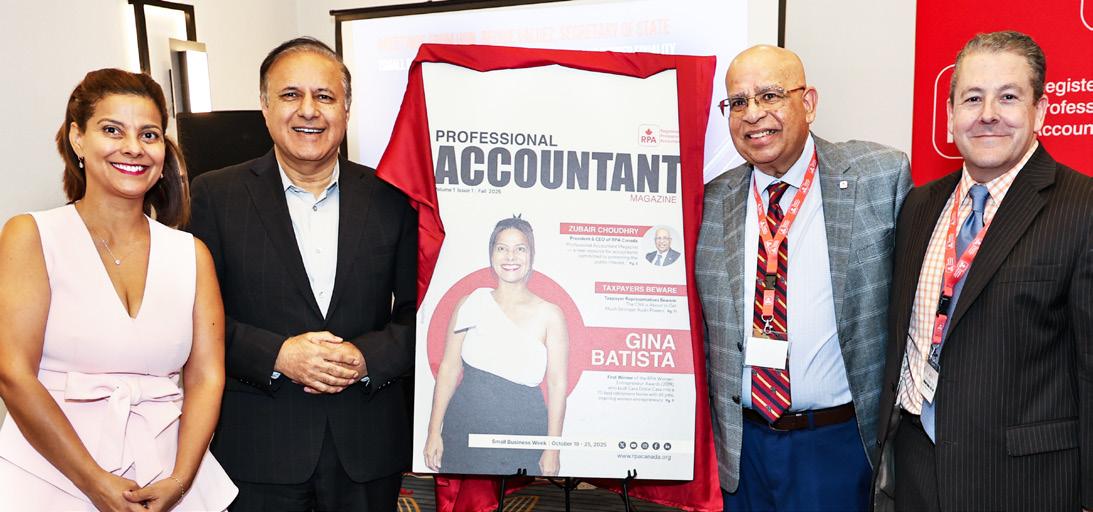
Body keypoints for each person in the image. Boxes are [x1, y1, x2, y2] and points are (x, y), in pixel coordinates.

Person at [187, 37, 417, 511]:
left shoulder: (393, 197)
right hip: (258, 449)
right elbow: (193, 318)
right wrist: (279, 354)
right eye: (291, 95)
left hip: (367, 446)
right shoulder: (214, 196)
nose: (308, 110)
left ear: (346, 110)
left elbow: (423, 313)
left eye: (324, 96)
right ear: (265, 107)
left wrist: (366, 357)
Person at [0, 68, 236, 511]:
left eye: (149, 134)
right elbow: (13, 372)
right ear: (77, 138)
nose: (133, 147)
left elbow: (206, 377)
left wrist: (181, 480)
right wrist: (94, 482)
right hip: (49, 476)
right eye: (112, 130)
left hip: (167, 477)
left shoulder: (190, 253)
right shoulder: (32, 236)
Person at [874, 31, 1091, 511]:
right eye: (973, 98)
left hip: (1025, 483)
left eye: (1008, 97)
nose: (988, 113)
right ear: (950, 114)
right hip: (916, 471)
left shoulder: (1083, 207)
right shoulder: (919, 206)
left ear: (1040, 110)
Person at [694, 45, 911, 511]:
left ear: (808, 103)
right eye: (738, 102)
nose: (753, 114)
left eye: (770, 95)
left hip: (838, 444)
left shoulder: (880, 177)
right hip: (742, 450)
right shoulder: (710, 202)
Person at [423, 216, 569, 476]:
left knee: (517, 497)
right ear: (491, 254)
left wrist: (553, 448)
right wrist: (434, 431)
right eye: (502, 248)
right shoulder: (470, 302)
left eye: (520, 248)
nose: (510, 256)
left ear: (531, 255)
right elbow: (448, 369)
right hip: (464, 427)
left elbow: (557, 384)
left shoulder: (550, 314)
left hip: (523, 431)